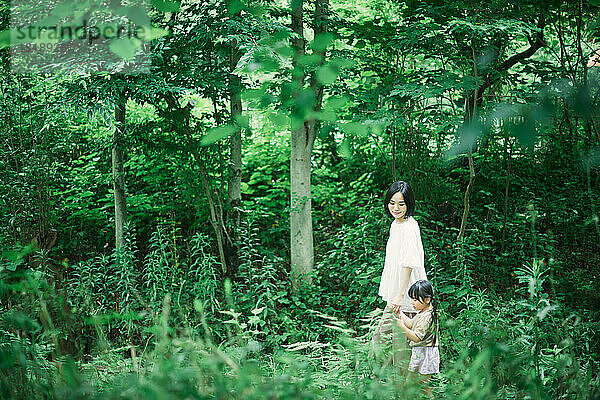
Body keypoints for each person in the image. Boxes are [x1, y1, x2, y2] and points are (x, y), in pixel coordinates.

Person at [372, 181, 427, 365]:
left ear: (409, 204)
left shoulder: (410, 227)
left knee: (401, 352)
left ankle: (404, 391)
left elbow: (409, 264)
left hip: (406, 300)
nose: (396, 208)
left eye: (401, 204)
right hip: (396, 298)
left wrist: (400, 295)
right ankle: (379, 385)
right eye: (392, 203)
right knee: (379, 343)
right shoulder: (396, 224)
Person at [396, 280, 440, 393]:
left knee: (424, 386)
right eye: (411, 299)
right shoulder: (423, 312)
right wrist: (399, 312)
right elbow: (411, 324)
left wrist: (402, 327)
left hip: (426, 353)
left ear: (427, 299)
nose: (412, 302)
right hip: (420, 351)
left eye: (415, 299)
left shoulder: (427, 316)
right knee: (410, 382)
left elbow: (416, 337)